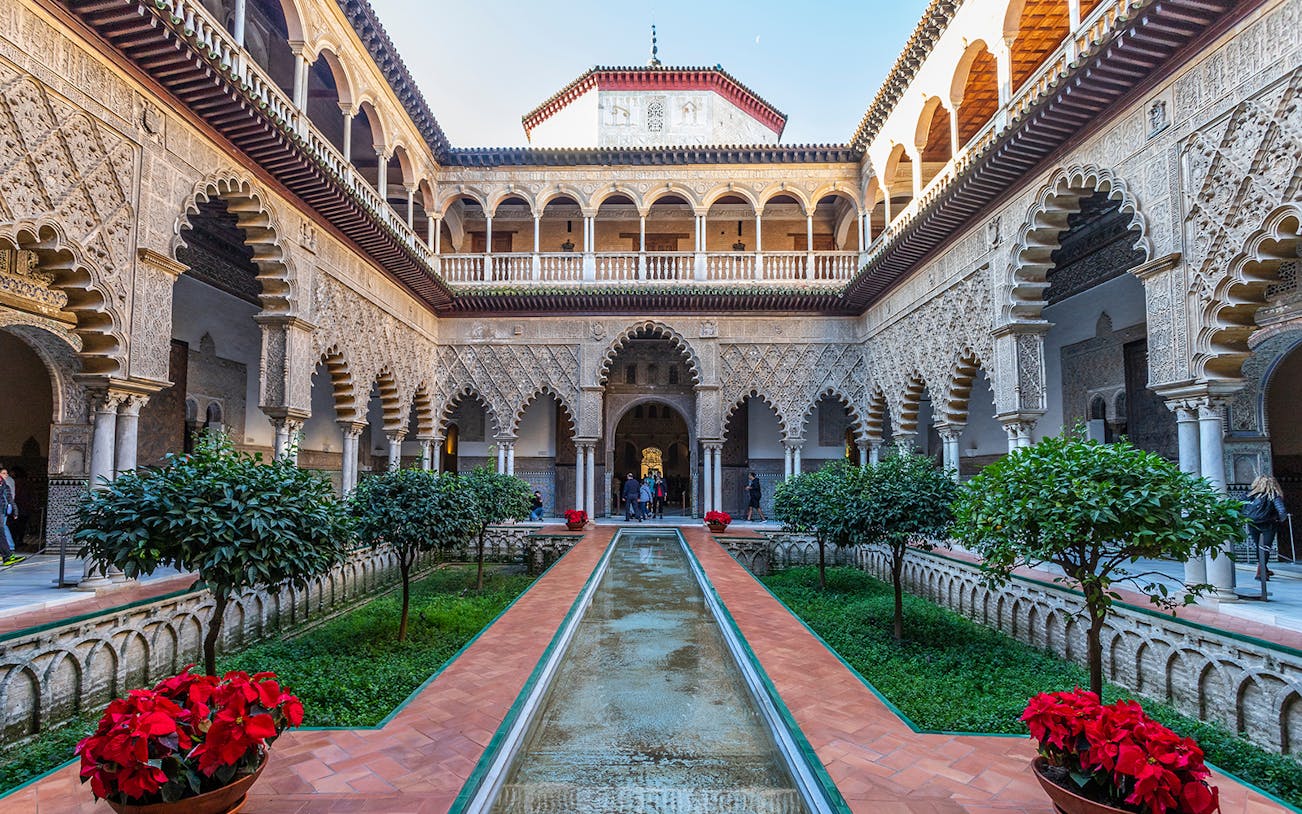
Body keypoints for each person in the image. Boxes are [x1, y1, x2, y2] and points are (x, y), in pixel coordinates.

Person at [1244, 475, 1288, 582]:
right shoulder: (1273, 495)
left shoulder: (1250, 495)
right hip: (1268, 524)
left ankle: (1264, 569)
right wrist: (1279, 520)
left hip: (1252, 523)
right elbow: (1282, 511)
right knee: (1265, 548)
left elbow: (1241, 507)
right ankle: (1261, 572)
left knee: (1258, 546)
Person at [0, 465, 20, 566]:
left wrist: (14, 509)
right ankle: (7, 554)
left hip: (2, 510)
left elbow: (10, 498)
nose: (6, 475)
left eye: (6, 473)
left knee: (2, 530)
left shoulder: (5, 484)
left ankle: (8, 553)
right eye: (3, 473)